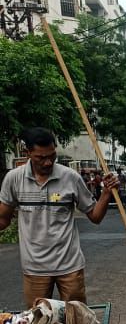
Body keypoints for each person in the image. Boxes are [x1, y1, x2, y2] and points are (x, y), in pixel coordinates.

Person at [0, 127, 119, 306]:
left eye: (52, 156)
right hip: (34, 268)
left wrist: (106, 193)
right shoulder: (14, 179)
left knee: (77, 320)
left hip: (70, 266)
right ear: (28, 153)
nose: (48, 162)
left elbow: (95, 216)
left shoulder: (70, 177)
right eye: (41, 158)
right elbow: (3, 219)